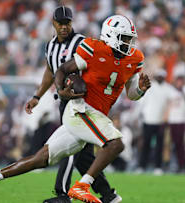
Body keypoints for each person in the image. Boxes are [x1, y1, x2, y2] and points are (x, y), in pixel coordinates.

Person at [0, 14, 151, 203]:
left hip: (93, 116)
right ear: (111, 35)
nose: (129, 42)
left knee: (40, 159)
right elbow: (62, 69)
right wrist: (62, 91)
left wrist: (141, 90)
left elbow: (132, 94)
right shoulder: (94, 49)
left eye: (130, 38)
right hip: (81, 110)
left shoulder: (135, 58)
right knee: (115, 143)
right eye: (125, 38)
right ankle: (82, 186)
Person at [25, 6, 120, 203]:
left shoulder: (82, 43)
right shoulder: (50, 46)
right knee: (83, 156)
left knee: (71, 147)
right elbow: (50, 72)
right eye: (60, 23)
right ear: (53, 23)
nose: (64, 27)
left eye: (67, 23)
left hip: (82, 103)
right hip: (65, 102)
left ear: (72, 23)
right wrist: (37, 96)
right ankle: (109, 195)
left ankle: (62, 194)